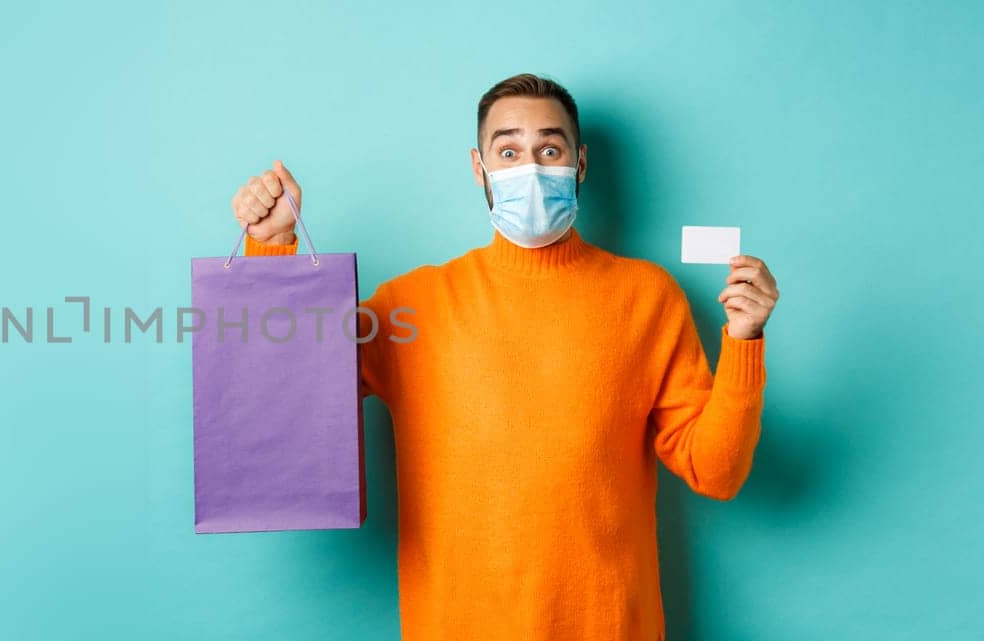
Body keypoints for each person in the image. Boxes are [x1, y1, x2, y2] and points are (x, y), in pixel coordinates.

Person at [228, 73, 781, 641]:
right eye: (509, 150)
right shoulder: (411, 305)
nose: (532, 168)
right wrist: (271, 249)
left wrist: (744, 341)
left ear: (580, 163)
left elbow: (716, 473)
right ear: (479, 167)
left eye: (550, 148)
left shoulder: (649, 297)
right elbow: (286, 398)